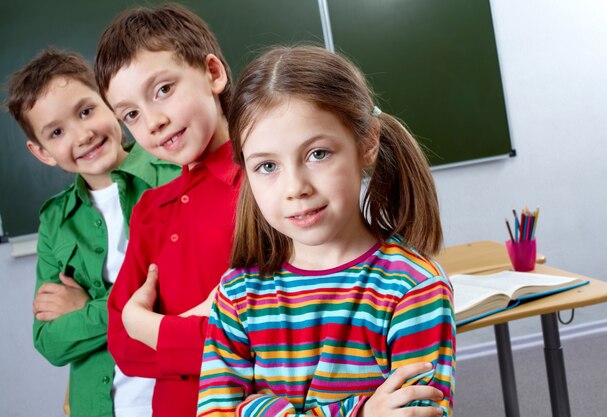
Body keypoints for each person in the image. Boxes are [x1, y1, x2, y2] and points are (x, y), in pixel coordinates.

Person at [196, 45, 455, 417]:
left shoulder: (413, 288)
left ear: (367, 143)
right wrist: (361, 412)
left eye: (317, 154)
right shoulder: (237, 296)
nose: (294, 187)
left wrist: (261, 409)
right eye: (267, 166)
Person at [4, 49, 180, 417]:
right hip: (98, 407)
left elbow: (183, 295)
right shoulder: (55, 221)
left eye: (86, 111)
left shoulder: (174, 175)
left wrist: (85, 309)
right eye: (56, 132)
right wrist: (128, 310)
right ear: (42, 152)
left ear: (109, 102)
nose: (82, 135)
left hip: (180, 398)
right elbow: (49, 342)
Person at [93, 4, 240, 417]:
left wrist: (153, 328)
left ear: (212, 74)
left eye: (163, 90)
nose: (153, 122)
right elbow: (123, 345)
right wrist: (206, 342)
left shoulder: (268, 184)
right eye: (131, 115)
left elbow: (272, 334)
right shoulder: (151, 209)